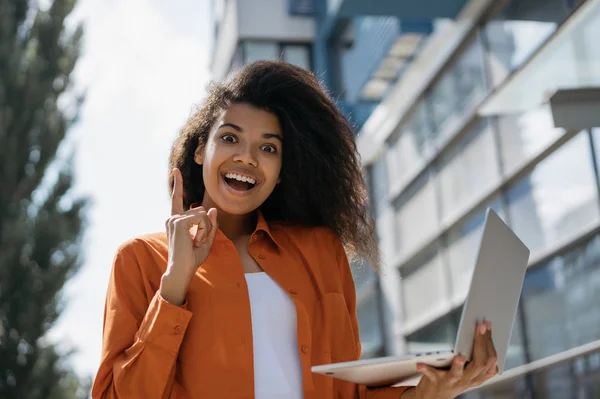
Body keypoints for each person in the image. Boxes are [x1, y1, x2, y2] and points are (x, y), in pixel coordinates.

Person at [91, 60, 498, 399]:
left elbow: (347, 394)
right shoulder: (142, 260)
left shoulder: (321, 251)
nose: (247, 157)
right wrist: (175, 285)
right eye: (230, 138)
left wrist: (435, 389)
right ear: (201, 150)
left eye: (268, 148)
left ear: (282, 170)